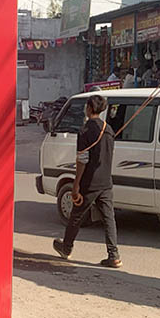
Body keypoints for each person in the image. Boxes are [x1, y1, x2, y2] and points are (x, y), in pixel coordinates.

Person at [53, 94, 121, 268]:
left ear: (90, 108)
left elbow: (82, 159)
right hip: (106, 181)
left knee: (76, 216)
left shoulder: (85, 131)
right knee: (109, 218)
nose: (85, 108)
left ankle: (66, 248)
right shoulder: (108, 129)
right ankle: (114, 255)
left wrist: (76, 185)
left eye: (86, 106)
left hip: (90, 182)